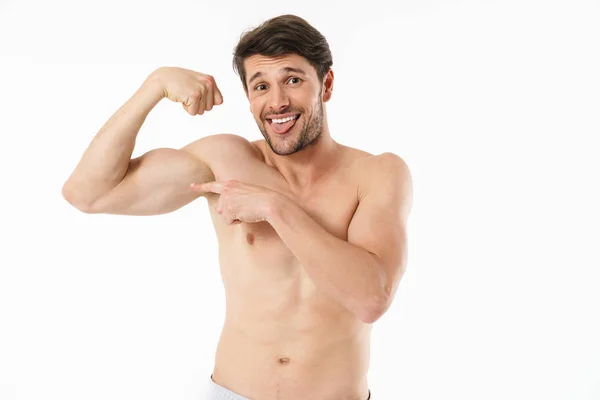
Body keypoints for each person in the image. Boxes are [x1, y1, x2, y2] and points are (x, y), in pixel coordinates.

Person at [62, 14, 412, 400]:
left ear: (325, 84)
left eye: (293, 80)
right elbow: (87, 193)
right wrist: (154, 85)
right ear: (248, 97)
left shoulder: (376, 174)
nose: (277, 102)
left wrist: (275, 207)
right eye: (261, 86)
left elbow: (370, 299)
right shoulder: (225, 160)